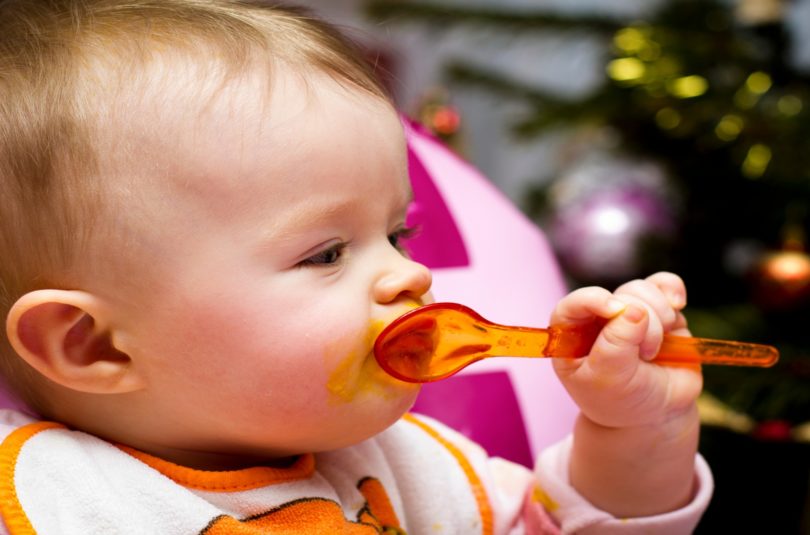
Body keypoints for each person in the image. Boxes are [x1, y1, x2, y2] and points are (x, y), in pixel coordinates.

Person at [0, 1, 711, 533]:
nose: (411, 276)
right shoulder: (47, 498)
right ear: (93, 343)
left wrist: (636, 433)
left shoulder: (405, 465)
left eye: (398, 234)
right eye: (326, 253)